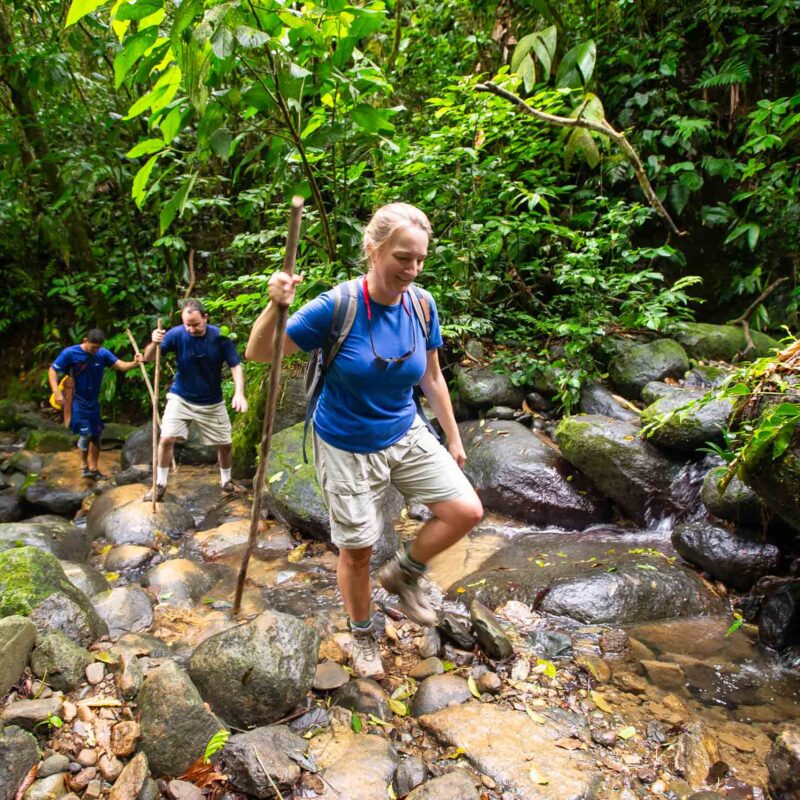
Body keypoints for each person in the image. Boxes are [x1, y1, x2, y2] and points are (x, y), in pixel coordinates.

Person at [246, 202, 483, 680]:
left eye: (419, 259)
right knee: (357, 550)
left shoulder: (422, 304)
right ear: (373, 250)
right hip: (347, 444)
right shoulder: (339, 306)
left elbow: (433, 380)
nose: (412, 269)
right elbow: (259, 352)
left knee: (466, 510)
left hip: (405, 429)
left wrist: (454, 441)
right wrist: (275, 305)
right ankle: (363, 630)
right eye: (402, 257)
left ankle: (405, 571)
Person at [142, 299, 248, 500]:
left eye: (195, 324)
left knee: (225, 444)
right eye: (187, 324)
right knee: (166, 438)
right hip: (181, 397)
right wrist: (153, 343)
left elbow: (235, 365)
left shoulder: (220, 336)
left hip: (211, 401)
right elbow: (149, 358)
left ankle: (226, 482)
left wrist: (239, 392)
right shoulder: (176, 334)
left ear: (206, 318)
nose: (190, 329)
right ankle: (159, 485)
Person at [49, 329, 143, 480]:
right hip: (75, 400)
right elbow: (53, 370)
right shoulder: (70, 353)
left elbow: (121, 365)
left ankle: (93, 468)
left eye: (98, 347)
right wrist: (56, 392)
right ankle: (83, 465)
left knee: (96, 434)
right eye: (93, 347)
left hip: (93, 402)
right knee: (86, 433)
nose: (95, 350)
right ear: (85, 341)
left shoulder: (102, 354)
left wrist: (135, 362)